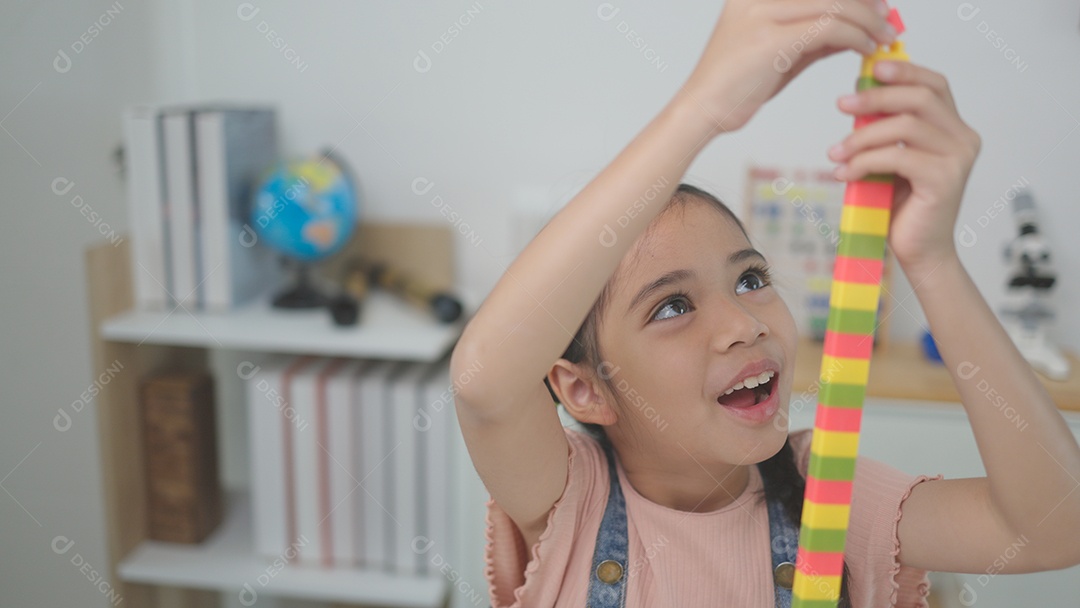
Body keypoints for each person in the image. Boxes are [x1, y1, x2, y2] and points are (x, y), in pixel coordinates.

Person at [449, 0, 1080, 606]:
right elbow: (485, 383)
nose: (743, 324)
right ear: (584, 390)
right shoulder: (572, 500)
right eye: (671, 307)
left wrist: (933, 259)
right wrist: (701, 108)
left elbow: (1054, 528)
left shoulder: (829, 493)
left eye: (750, 280)